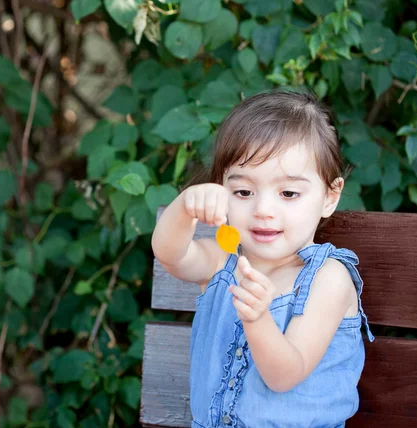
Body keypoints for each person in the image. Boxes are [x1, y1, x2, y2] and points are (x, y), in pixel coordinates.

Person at [151, 90, 375, 428]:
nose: (263, 210)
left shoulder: (328, 279)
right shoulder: (221, 260)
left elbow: (285, 375)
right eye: (243, 192)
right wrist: (184, 207)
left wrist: (258, 320)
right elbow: (171, 255)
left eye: (288, 193)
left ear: (330, 196)